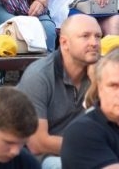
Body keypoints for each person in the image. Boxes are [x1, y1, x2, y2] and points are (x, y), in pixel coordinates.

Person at [16, 14, 102, 168]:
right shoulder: (39, 76)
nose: (94, 43)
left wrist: (97, 82)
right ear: (64, 43)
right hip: (44, 160)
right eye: (85, 36)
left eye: (98, 36)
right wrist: (93, 148)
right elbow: (37, 143)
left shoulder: (101, 71)